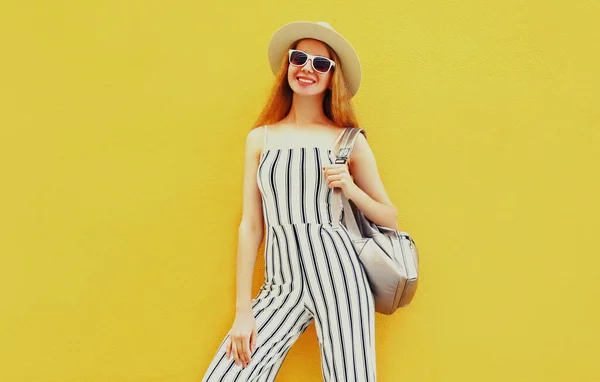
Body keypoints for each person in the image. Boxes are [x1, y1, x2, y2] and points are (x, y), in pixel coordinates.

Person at [201, 20, 399, 382]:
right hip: (282, 284)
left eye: (321, 63)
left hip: (341, 279)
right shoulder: (260, 139)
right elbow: (252, 225)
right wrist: (243, 311)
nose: (307, 68)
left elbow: (390, 218)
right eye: (299, 57)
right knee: (226, 376)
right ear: (288, 65)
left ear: (331, 77)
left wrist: (352, 190)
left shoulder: (348, 140)